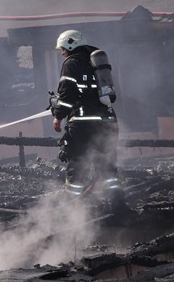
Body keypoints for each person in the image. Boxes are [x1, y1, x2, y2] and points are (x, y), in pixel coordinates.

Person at [49, 29, 123, 205]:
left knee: (78, 165)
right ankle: (117, 205)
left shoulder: (71, 63)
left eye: (63, 49)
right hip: (107, 121)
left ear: (70, 44)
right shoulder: (95, 61)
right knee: (106, 165)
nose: (62, 53)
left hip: (83, 124)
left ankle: (73, 208)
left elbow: (67, 95)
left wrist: (58, 116)